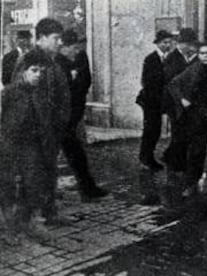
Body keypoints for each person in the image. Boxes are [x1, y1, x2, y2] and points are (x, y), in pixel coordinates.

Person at [10, 18, 73, 226]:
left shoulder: (53, 61)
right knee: (31, 174)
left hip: (51, 131)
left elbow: (60, 96)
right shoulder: (29, 60)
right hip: (34, 131)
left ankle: (48, 213)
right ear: (42, 38)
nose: (60, 42)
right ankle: (24, 221)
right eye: (55, 38)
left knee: (48, 171)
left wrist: (60, 124)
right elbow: (20, 96)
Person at [1, 47, 67, 243]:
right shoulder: (9, 94)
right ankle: (9, 229)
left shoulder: (40, 95)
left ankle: (29, 224)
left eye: (41, 71)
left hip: (33, 147)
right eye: (34, 71)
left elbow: (45, 122)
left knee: (33, 185)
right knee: (8, 187)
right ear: (23, 71)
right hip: (9, 147)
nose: (38, 75)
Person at [167, 43, 207, 196]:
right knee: (196, 151)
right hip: (196, 117)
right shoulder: (192, 70)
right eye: (202, 53)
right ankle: (190, 184)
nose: (205, 56)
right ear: (198, 55)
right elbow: (173, 84)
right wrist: (182, 100)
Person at [56, 29, 108, 201]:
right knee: (49, 156)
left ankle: (88, 187)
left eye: (78, 48)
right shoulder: (56, 62)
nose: (76, 51)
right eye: (73, 48)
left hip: (72, 115)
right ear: (64, 47)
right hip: (58, 118)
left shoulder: (79, 58)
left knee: (75, 153)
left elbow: (85, 82)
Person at [162, 28, 199, 173]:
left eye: (191, 44)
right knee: (178, 132)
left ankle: (175, 158)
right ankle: (176, 166)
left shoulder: (189, 57)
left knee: (184, 132)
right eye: (188, 44)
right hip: (175, 102)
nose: (190, 47)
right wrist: (180, 98)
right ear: (180, 43)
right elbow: (170, 82)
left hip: (187, 102)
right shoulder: (172, 58)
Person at [139, 30, 173, 171]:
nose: (168, 45)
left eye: (170, 42)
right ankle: (146, 158)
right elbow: (147, 81)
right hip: (151, 100)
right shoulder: (151, 59)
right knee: (151, 130)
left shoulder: (169, 59)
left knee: (156, 129)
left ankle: (149, 157)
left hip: (162, 99)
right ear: (158, 43)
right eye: (165, 42)